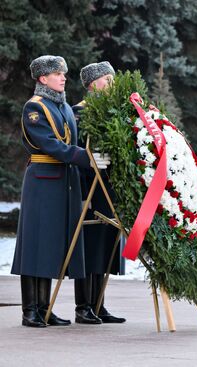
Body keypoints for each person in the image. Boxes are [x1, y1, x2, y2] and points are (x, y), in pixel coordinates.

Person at [11, 55, 110, 327]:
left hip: (63, 180)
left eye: (63, 73)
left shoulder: (63, 106)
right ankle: (30, 310)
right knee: (35, 245)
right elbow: (50, 144)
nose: (63, 77)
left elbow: (73, 140)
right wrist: (87, 158)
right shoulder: (35, 107)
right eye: (57, 73)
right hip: (43, 180)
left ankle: (45, 309)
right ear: (43, 78)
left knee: (52, 245)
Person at [72, 61, 126, 324]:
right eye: (107, 79)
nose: (111, 83)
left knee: (106, 245)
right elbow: (78, 150)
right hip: (90, 185)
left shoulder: (113, 110)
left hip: (110, 186)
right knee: (89, 245)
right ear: (93, 84)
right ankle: (83, 306)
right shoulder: (79, 113)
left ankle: (99, 304)